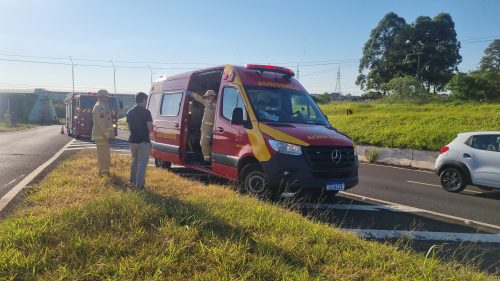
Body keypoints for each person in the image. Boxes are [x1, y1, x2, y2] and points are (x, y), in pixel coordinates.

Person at [126, 92, 153, 189]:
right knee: (142, 163)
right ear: (144, 100)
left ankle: (132, 182)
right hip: (143, 141)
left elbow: (129, 127)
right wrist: (152, 134)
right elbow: (150, 126)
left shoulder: (129, 112)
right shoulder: (146, 112)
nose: (146, 103)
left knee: (134, 161)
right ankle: (140, 185)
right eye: (146, 100)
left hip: (132, 140)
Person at [92, 89, 114, 176]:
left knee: (105, 154)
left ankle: (105, 171)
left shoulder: (104, 105)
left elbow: (107, 122)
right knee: (103, 155)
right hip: (101, 136)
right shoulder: (100, 107)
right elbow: (102, 124)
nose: (108, 98)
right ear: (101, 97)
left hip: (103, 135)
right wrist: (108, 136)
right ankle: (104, 173)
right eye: (106, 96)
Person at [191, 90, 217, 164]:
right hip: (203, 128)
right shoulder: (207, 103)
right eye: (206, 97)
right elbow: (200, 99)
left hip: (209, 128)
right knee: (202, 143)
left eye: (208, 96)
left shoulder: (216, 104)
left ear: (212, 96)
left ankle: (208, 160)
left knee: (203, 143)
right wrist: (192, 94)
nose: (206, 98)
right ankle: (207, 159)